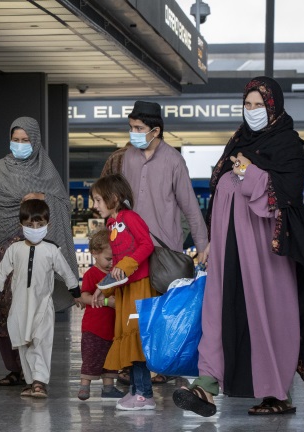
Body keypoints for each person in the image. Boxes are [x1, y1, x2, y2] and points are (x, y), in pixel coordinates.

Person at [173, 76, 304, 417]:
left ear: (273, 107)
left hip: (266, 250)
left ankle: (275, 393)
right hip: (228, 247)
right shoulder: (236, 142)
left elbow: (286, 193)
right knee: (218, 311)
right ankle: (205, 387)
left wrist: (249, 172)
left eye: (258, 105)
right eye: (247, 105)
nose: (251, 111)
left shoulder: (288, 147)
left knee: (268, 315)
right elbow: (222, 186)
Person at [0, 116, 78, 387]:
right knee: (6, 308)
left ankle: (35, 373)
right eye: (16, 139)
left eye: (26, 140)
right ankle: (14, 367)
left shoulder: (46, 170)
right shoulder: (1, 168)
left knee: (35, 308)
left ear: (35, 142)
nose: (20, 144)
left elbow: (61, 204)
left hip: (38, 246)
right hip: (7, 247)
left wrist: (42, 198)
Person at [119, 101, 207, 382]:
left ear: (155, 131)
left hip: (164, 250)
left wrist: (203, 245)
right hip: (133, 249)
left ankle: (165, 365)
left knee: (163, 310)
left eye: (139, 128)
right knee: (134, 308)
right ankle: (137, 364)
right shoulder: (128, 157)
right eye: (131, 127)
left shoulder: (173, 161)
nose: (133, 133)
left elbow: (190, 206)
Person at [0, 199, 80, 398]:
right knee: (23, 344)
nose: (35, 228)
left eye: (40, 225)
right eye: (29, 225)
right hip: (19, 308)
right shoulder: (14, 249)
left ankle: (39, 382)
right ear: (21, 225)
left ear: (48, 225)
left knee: (41, 343)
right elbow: (1, 273)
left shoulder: (52, 250)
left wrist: (76, 294)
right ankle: (30, 382)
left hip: (42, 306)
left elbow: (67, 273)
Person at [89, 174, 157, 410]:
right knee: (129, 338)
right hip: (126, 290)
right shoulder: (111, 225)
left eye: (98, 200)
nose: (94, 205)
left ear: (114, 198)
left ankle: (145, 395)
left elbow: (146, 245)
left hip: (140, 287)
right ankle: (136, 390)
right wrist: (102, 288)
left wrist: (125, 266)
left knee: (136, 338)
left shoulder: (130, 217)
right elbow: (117, 263)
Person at [76, 228, 123, 401]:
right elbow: (85, 296)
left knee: (111, 359)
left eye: (115, 259)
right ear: (95, 253)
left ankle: (109, 387)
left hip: (112, 328)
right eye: (108, 259)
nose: (112, 263)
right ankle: (84, 386)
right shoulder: (91, 274)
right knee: (91, 357)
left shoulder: (116, 275)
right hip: (93, 328)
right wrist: (106, 302)